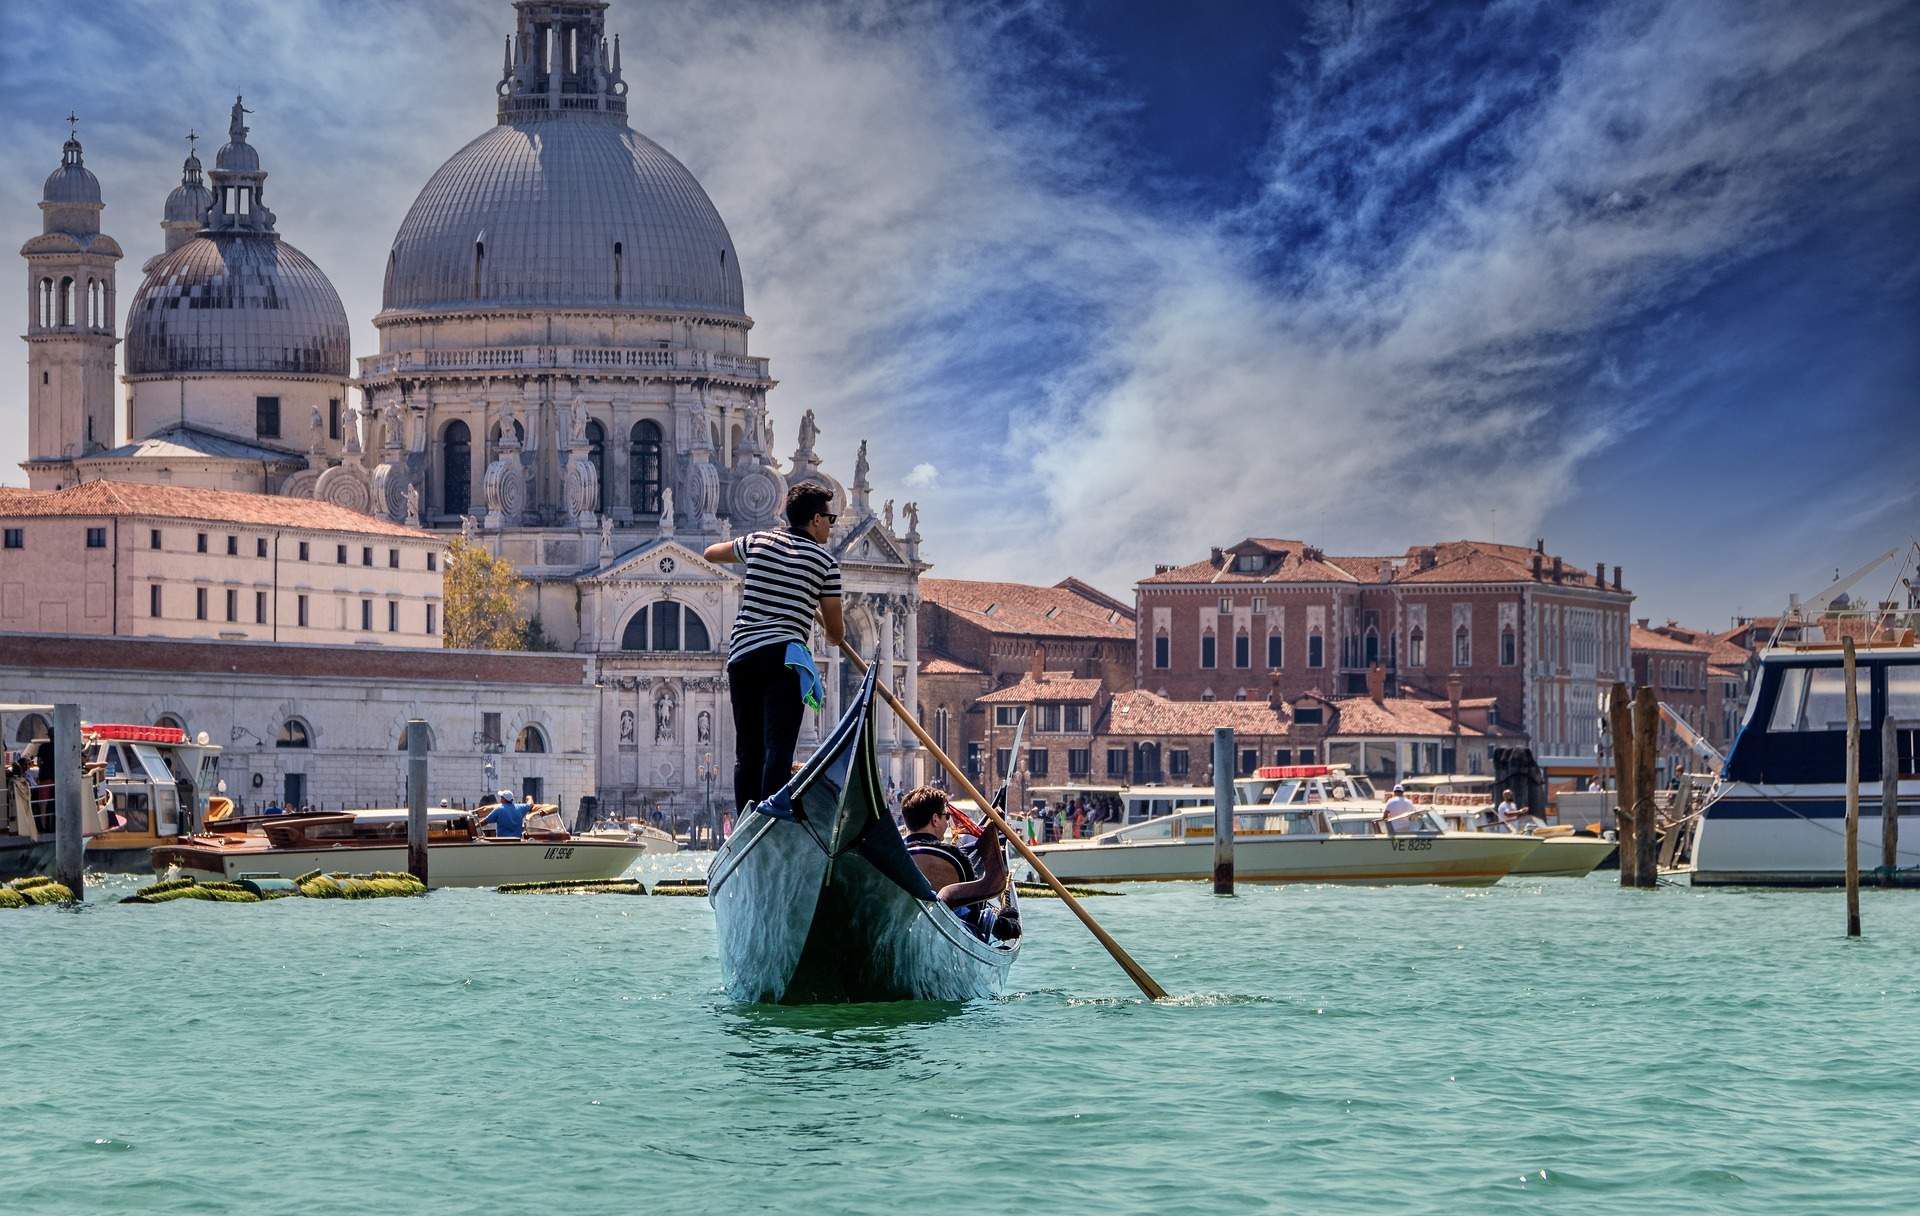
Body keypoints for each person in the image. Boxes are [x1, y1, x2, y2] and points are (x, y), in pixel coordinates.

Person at [705, 484, 844, 812]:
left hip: (743, 656)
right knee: (778, 749)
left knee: (748, 750)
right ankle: (772, 819)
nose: (832, 524)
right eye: (830, 518)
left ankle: (746, 819)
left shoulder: (758, 541)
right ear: (815, 519)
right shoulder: (825, 564)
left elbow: (712, 553)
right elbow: (836, 632)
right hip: (783, 657)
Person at [899, 786, 1015, 941]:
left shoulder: (895, 856)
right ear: (935, 819)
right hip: (951, 934)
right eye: (946, 816)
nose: (948, 822)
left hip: (904, 927)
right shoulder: (954, 856)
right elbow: (975, 909)